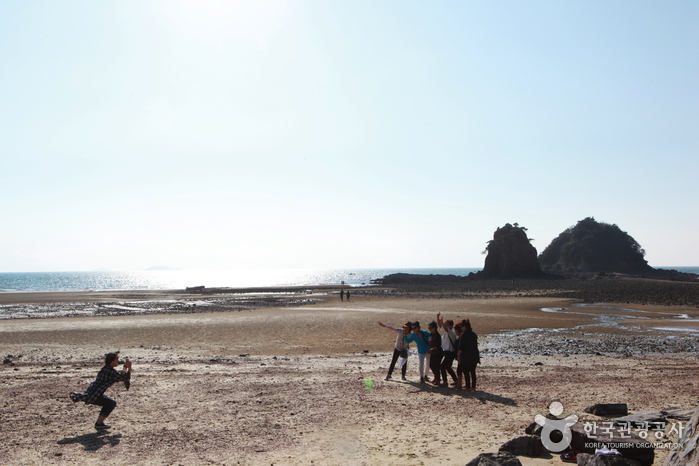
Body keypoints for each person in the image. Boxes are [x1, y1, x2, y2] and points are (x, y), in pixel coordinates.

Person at [70, 352, 132, 430]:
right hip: (95, 395)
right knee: (111, 403)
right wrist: (130, 367)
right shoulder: (110, 371)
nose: (118, 361)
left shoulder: (106, 369)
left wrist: (125, 368)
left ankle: (99, 423)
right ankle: (99, 423)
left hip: (93, 392)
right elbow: (125, 378)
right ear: (111, 361)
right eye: (116, 359)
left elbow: (118, 377)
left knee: (109, 402)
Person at [457, 319, 480, 391]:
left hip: (466, 355)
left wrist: (458, 355)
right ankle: (473, 387)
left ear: (465, 326)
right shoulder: (474, 334)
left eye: (461, 326)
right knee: (473, 372)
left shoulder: (463, 335)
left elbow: (460, 347)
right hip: (475, 355)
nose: (461, 328)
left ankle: (468, 386)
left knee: (466, 371)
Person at [437, 312, 458, 387]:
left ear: (451, 326)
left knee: (442, 367)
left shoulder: (451, 332)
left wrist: (442, 322)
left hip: (450, 352)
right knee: (448, 367)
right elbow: (440, 326)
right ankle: (456, 380)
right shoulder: (446, 333)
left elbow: (445, 328)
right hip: (446, 352)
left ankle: (445, 382)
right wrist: (438, 318)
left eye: (447, 324)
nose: (445, 326)